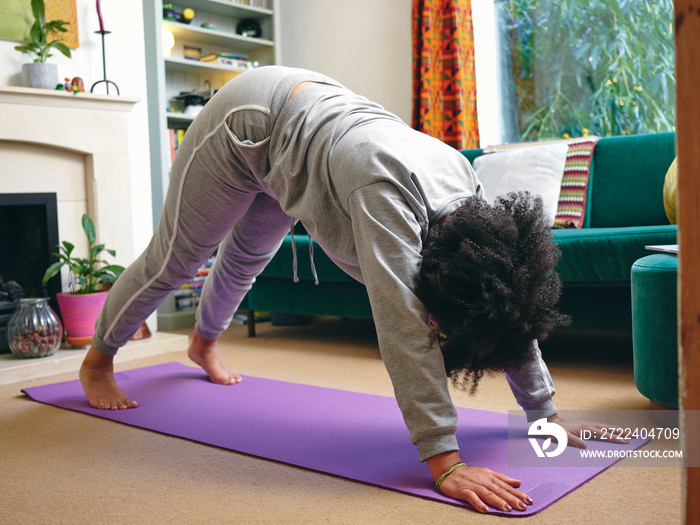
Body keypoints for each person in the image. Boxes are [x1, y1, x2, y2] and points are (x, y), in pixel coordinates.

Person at [79, 66, 625, 514]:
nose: (446, 334)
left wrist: (544, 415)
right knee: (178, 258)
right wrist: (446, 462)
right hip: (247, 122)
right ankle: (99, 358)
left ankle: (203, 343)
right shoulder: (384, 197)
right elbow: (404, 327)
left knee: (247, 257)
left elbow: (512, 309)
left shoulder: (472, 203)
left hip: (307, 130)